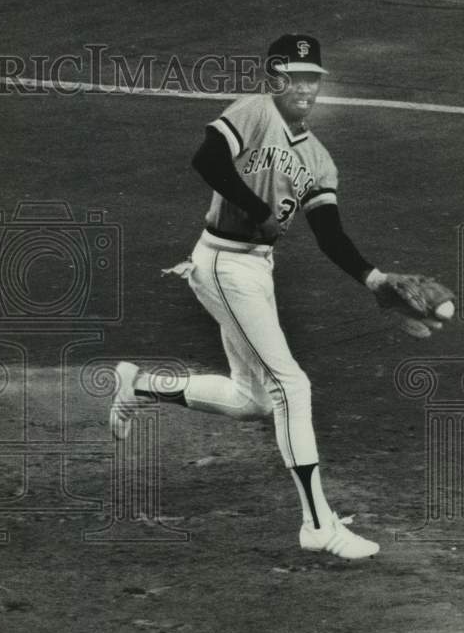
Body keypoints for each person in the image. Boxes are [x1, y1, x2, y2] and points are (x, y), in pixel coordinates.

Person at [111, 33, 393, 560]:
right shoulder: (255, 111)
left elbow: (329, 234)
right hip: (221, 264)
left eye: (313, 78)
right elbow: (207, 160)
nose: (305, 87)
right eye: (295, 76)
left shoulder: (318, 159)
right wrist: (255, 205)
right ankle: (316, 524)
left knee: (253, 399)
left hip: (256, 271)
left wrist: (374, 279)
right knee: (291, 386)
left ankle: (140, 387)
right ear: (274, 78)